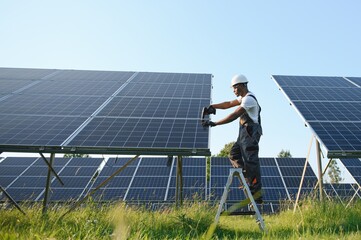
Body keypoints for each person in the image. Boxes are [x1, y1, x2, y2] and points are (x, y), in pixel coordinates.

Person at [203, 74, 263, 203]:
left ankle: (256, 191)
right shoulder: (243, 98)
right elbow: (228, 104)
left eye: (234, 88)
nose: (233, 91)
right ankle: (247, 180)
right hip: (244, 133)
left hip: (250, 132)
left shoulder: (249, 100)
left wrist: (215, 123)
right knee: (233, 154)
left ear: (241, 86)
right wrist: (214, 106)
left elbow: (234, 115)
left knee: (250, 160)